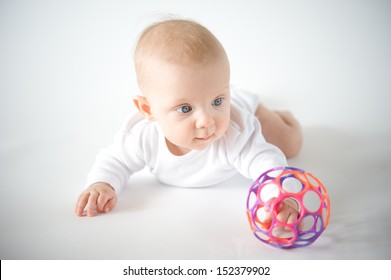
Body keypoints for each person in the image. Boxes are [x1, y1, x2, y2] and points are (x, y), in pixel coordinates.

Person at [75, 19, 303, 227]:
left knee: (290, 144)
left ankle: (276, 113)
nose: (206, 120)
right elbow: (115, 160)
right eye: (185, 108)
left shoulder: (236, 130)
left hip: (246, 107)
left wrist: (279, 195)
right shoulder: (141, 136)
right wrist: (102, 183)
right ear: (148, 109)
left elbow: (266, 162)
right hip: (221, 97)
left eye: (217, 101)